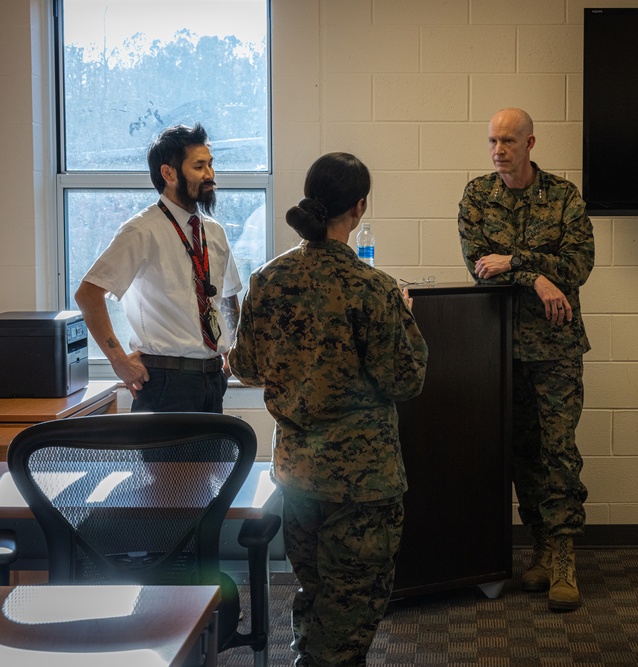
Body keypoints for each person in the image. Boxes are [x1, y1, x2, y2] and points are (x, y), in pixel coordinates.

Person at [229, 152, 428, 666]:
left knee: (316, 596)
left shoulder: (267, 281)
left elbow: (246, 367)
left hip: (296, 477)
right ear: (358, 208)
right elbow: (405, 379)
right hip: (362, 484)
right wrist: (404, 319)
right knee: (350, 614)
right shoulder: (374, 288)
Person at [458, 108, 594, 612]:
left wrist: (516, 261)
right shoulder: (477, 196)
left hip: (555, 349)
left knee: (558, 452)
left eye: (509, 140)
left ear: (531, 142)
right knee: (518, 453)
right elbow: (478, 266)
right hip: (499, 349)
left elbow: (578, 266)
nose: (499, 150)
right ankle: (537, 545)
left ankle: (563, 558)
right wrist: (537, 277)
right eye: (493, 140)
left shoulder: (563, 197)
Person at [75, 123, 242, 413]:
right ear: (168, 173)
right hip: (166, 381)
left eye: (211, 165)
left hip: (213, 379)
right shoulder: (142, 230)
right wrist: (119, 361)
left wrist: (228, 347)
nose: (210, 175)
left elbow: (227, 297)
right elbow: (88, 294)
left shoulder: (213, 232)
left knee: (213, 461)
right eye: (199, 166)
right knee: (168, 461)